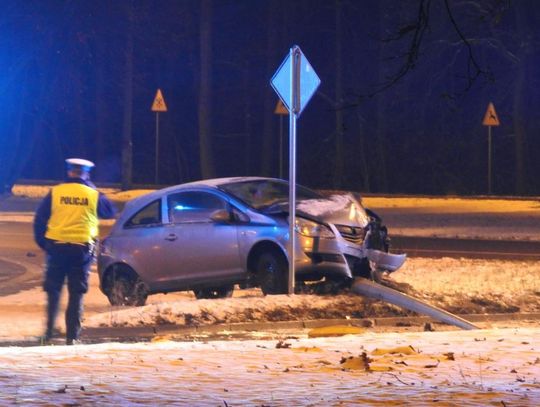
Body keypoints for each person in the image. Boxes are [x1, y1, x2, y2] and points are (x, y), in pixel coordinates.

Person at [33, 158, 116, 345]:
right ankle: (72, 337)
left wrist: (44, 243)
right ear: (86, 173)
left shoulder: (56, 192)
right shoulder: (93, 194)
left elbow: (39, 219)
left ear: (69, 172)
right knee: (76, 292)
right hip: (81, 251)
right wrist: (93, 188)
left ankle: (48, 333)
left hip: (56, 248)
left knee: (53, 290)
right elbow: (110, 212)